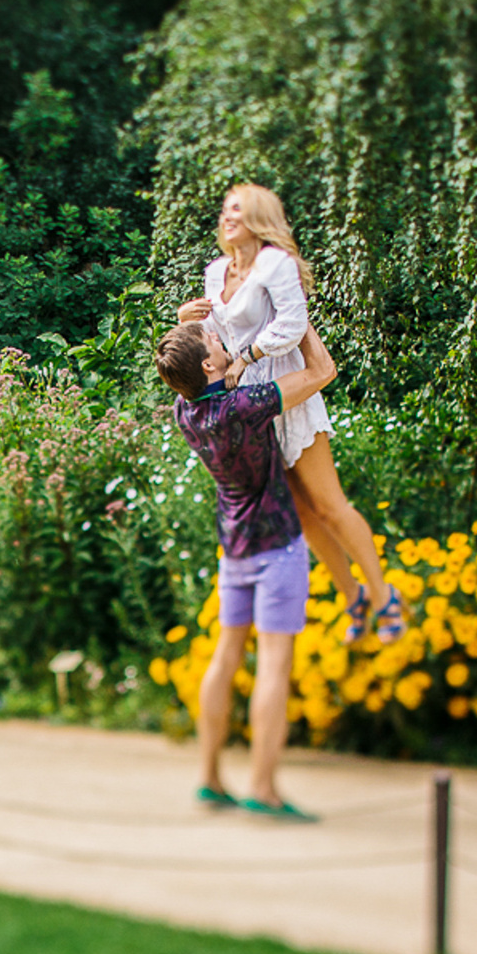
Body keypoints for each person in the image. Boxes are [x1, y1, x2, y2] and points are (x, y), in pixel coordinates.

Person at [176, 184, 404, 644]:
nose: (227, 216)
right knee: (300, 509)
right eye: (224, 210)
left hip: (285, 385)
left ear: (259, 214)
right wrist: (187, 320)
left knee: (329, 504)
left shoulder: (275, 264)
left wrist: (248, 358)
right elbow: (212, 338)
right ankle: (352, 595)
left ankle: (384, 595)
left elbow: (294, 323)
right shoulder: (215, 271)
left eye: (236, 208)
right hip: (244, 404)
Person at [156, 317, 337, 820]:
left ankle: (210, 779)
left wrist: (192, 327)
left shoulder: (186, 410)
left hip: (233, 549)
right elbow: (323, 369)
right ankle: (264, 789)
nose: (220, 338)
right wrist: (296, 317)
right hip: (277, 546)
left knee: (225, 656)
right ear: (211, 365)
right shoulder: (242, 407)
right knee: (274, 666)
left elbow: (198, 370)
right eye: (214, 341)